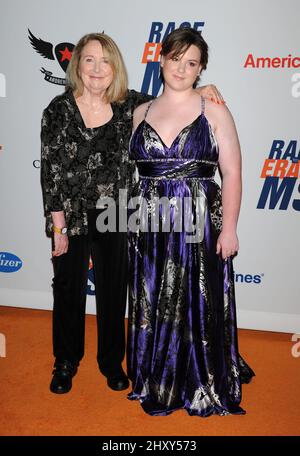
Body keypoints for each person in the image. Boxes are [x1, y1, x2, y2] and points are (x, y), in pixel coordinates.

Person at [40, 32, 221, 394]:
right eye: (89, 60)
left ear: (115, 68)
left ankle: (111, 362)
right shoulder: (57, 111)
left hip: (119, 213)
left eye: (105, 61)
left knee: (112, 291)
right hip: (71, 217)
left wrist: (202, 91)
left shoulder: (131, 106)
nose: (96, 68)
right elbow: (50, 171)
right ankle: (65, 362)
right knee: (67, 289)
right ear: (77, 65)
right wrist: (57, 227)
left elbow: (171, 98)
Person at [127, 27, 255, 416]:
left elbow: (231, 172)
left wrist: (230, 227)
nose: (181, 68)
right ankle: (157, 376)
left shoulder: (213, 109)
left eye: (192, 63)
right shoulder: (139, 112)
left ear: (200, 70)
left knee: (197, 300)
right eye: (176, 58)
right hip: (149, 222)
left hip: (198, 220)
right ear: (160, 57)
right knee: (156, 298)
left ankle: (200, 378)